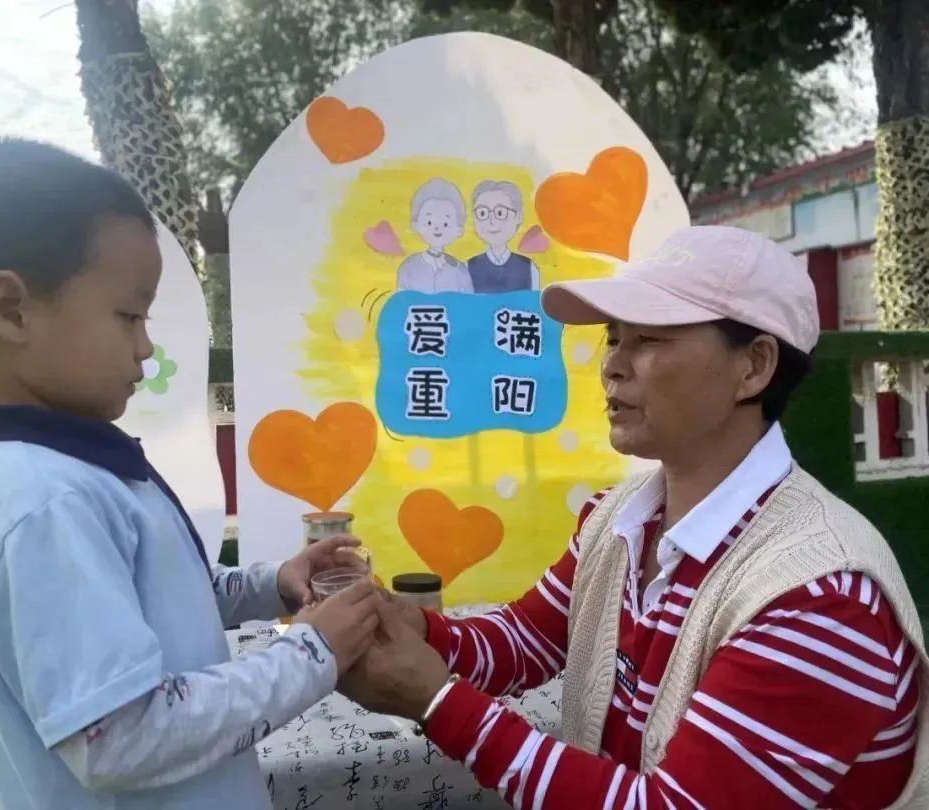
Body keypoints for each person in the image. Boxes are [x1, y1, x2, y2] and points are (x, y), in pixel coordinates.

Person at [342, 226, 929, 808]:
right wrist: (406, 627)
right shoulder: (618, 520)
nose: (613, 367)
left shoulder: (820, 600)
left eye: (649, 339)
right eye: (613, 338)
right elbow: (522, 642)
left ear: (754, 366)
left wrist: (437, 702)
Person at [0, 137, 381, 810]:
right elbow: (120, 735)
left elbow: (158, 594)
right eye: (128, 315)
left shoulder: (74, 462)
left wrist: (271, 585)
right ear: (12, 310)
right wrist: (313, 653)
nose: (144, 346)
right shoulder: (41, 501)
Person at [396, 177, 473, 293]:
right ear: (415, 225)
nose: (437, 228)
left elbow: (467, 300)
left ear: (459, 229)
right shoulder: (408, 267)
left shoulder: (460, 271)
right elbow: (402, 300)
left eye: (446, 224)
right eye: (429, 222)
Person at [467, 180, 539, 293]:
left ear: (518, 217)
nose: (491, 221)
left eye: (500, 213)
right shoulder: (468, 267)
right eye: (482, 213)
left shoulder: (529, 267)